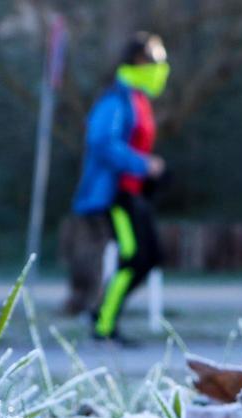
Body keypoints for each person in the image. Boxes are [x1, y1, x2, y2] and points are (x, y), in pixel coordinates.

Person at [72, 32, 170, 345]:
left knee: (149, 257)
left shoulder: (138, 99)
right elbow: (101, 142)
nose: (161, 67)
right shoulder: (115, 99)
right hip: (116, 196)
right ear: (138, 60)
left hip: (134, 194)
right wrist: (143, 165)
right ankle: (103, 324)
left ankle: (102, 315)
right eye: (156, 59)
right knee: (134, 257)